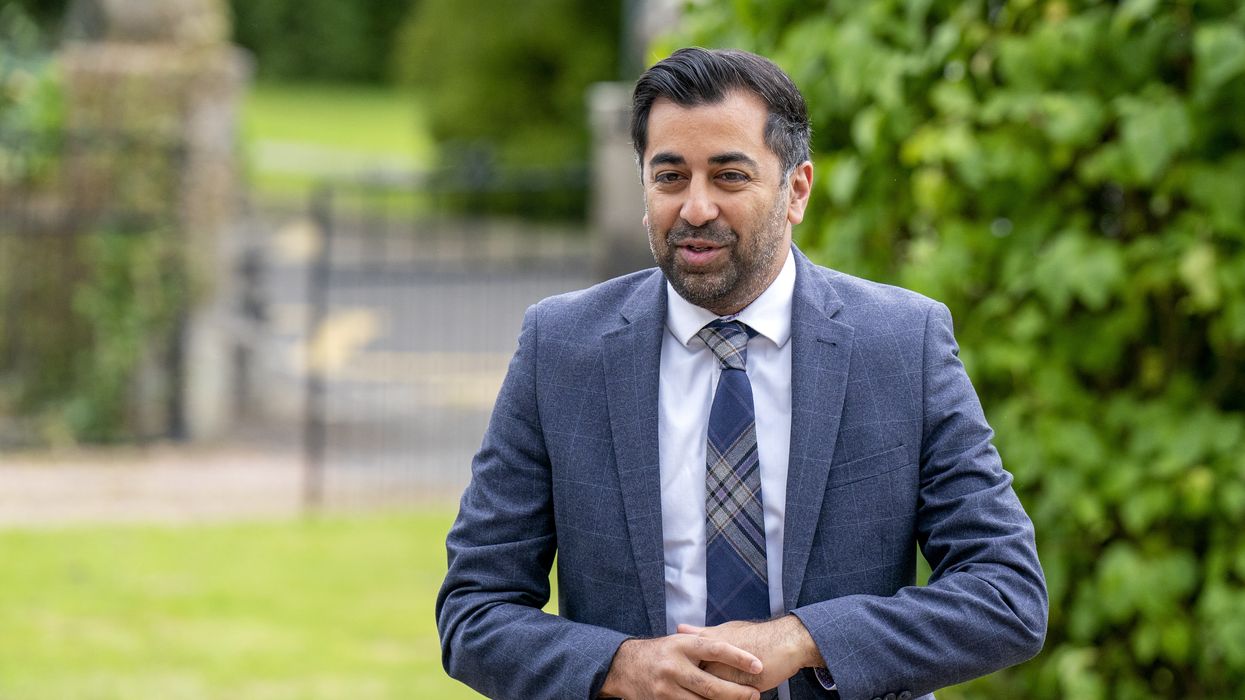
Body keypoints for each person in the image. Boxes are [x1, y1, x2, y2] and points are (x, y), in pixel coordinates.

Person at [437, 47, 1046, 700]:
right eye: (669, 177)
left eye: (728, 177)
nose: (695, 208)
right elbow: (473, 611)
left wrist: (802, 638)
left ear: (797, 191)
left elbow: (1004, 595)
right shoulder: (561, 348)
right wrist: (619, 666)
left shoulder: (901, 344)